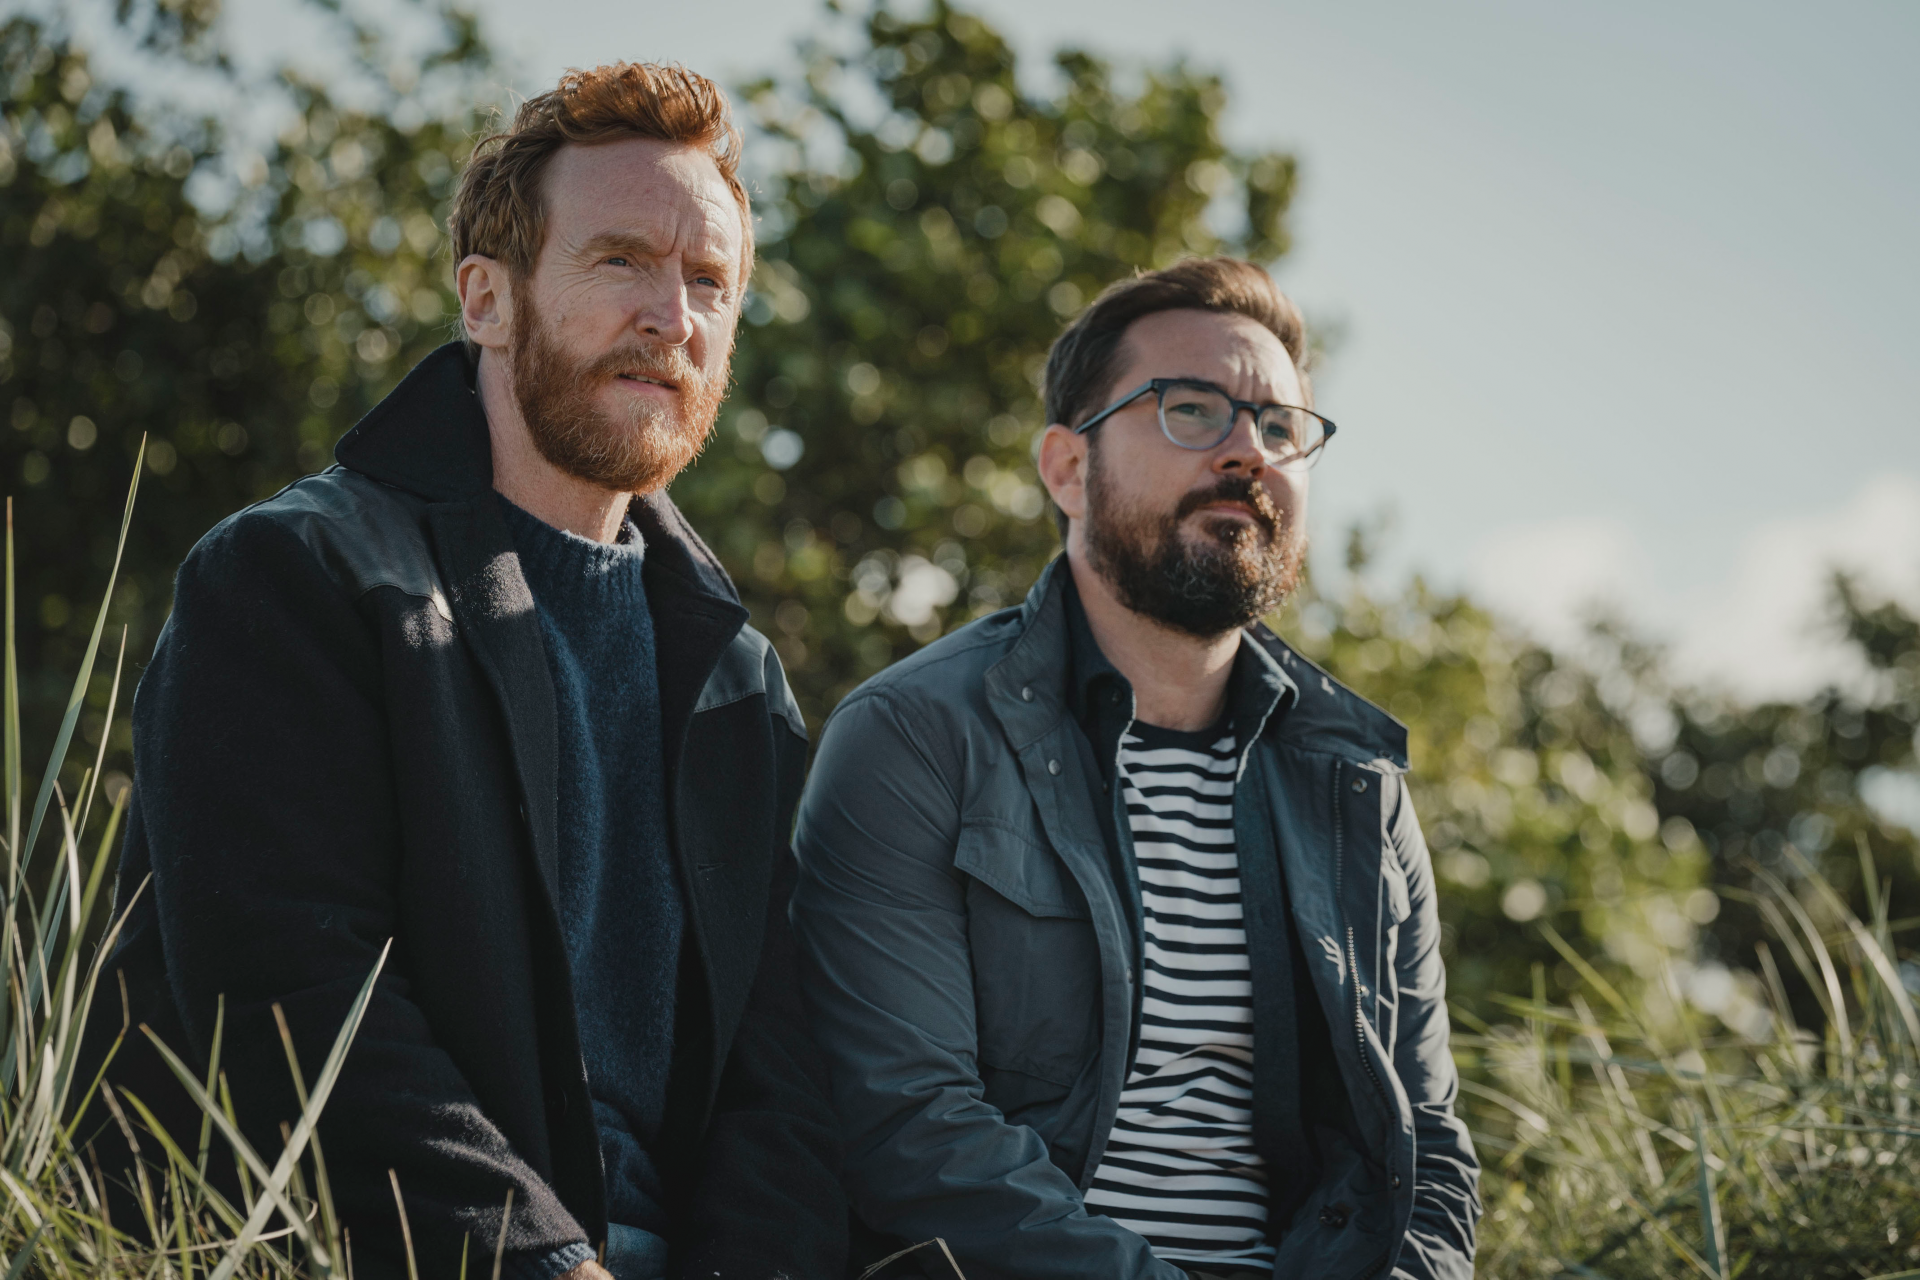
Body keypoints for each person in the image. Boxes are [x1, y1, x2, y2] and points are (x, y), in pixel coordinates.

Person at [87, 63, 844, 1280]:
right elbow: (288, 997)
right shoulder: (298, 577)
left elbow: (782, 1078)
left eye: (710, 281)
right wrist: (546, 1262)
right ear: (487, 298)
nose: (673, 316)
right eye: (620, 261)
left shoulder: (739, 679)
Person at [790, 258, 1479, 1280]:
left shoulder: (1358, 784)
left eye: (1281, 426)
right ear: (1068, 468)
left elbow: (1423, 1152)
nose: (1248, 449)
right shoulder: (915, 735)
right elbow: (910, 1126)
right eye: (1192, 408)